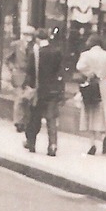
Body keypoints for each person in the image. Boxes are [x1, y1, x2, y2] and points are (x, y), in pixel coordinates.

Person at [75, 32, 106, 156]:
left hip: (90, 86)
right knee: (103, 114)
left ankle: (92, 144)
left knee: (89, 113)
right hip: (103, 86)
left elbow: (79, 67)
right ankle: (104, 137)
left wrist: (90, 73)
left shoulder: (85, 55)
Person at [23, 27, 67, 157]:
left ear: (37, 38)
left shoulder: (35, 53)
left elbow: (30, 72)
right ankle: (52, 145)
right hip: (53, 91)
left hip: (38, 91)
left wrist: (28, 87)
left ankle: (31, 143)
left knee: (34, 118)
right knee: (51, 119)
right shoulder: (57, 51)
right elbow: (60, 71)